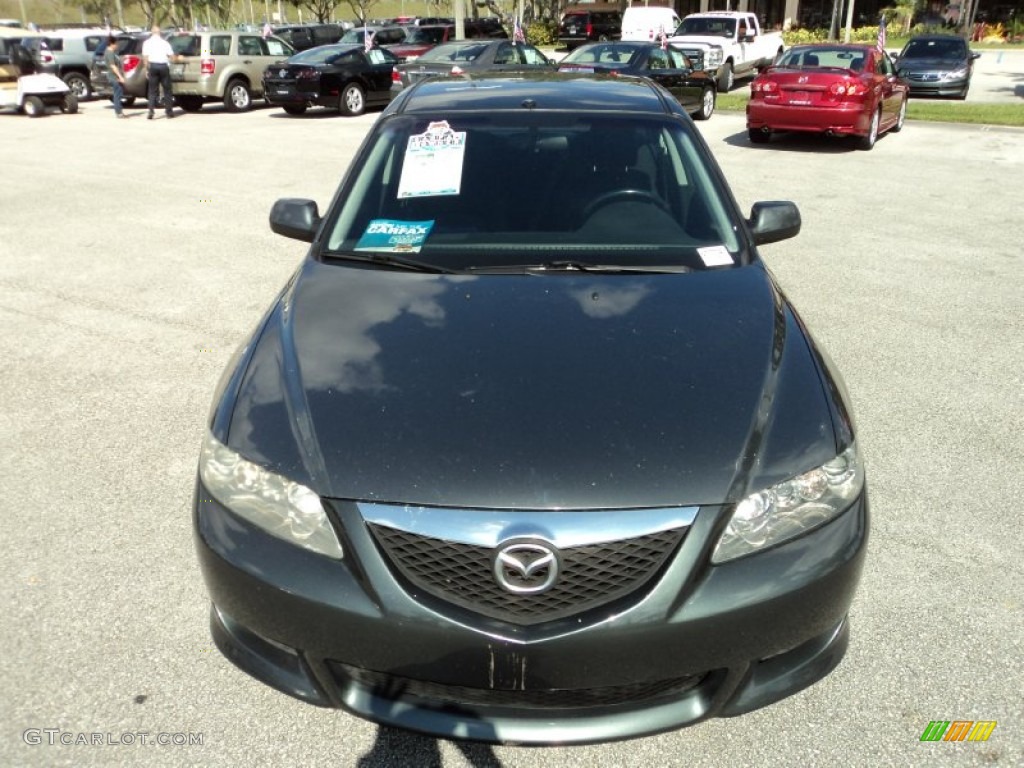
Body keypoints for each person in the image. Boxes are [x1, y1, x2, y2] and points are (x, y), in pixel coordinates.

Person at [142, 25, 178, 119]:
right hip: (163, 66)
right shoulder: (165, 43)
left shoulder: (147, 43)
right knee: (167, 90)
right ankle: (169, 112)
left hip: (153, 66)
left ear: (152, 32)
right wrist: (177, 58)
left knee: (152, 90)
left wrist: (146, 70)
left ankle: (151, 111)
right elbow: (172, 56)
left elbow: (145, 58)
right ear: (159, 32)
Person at [103, 36, 127, 118]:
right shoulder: (109, 53)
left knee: (118, 93)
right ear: (111, 44)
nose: (117, 45)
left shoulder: (112, 52)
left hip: (115, 76)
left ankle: (119, 111)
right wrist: (120, 77)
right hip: (114, 77)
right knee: (117, 94)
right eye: (116, 44)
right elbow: (113, 66)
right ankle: (118, 112)